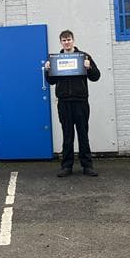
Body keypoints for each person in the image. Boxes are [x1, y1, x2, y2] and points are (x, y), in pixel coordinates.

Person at [44, 30, 101, 177]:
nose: (67, 42)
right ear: (61, 42)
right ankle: (66, 166)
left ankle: (87, 166)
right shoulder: (55, 60)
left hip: (81, 102)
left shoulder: (84, 57)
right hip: (64, 103)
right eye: (64, 40)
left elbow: (96, 77)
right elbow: (51, 81)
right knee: (67, 135)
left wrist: (89, 67)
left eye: (69, 39)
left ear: (73, 40)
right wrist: (47, 70)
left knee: (83, 134)